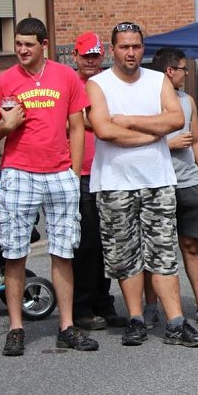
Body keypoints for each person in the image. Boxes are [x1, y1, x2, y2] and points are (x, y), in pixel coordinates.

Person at [0, 17, 98, 355]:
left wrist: (74, 173)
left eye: (29, 44)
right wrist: (5, 127)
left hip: (60, 173)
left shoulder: (64, 77)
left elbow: (77, 126)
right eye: (17, 44)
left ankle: (67, 326)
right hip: (19, 172)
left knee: (63, 252)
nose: (22, 50)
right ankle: (16, 328)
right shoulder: (4, 82)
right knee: (14, 253)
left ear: (44, 45)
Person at [86, 22, 198, 348]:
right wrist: (151, 134)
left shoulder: (157, 80)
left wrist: (129, 121)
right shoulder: (98, 84)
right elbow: (104, 130)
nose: (131, 52)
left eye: (136, 47)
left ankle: (175, 323)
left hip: (157, 181)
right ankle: (136, 319)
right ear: (113, 49)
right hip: (114, 183)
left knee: (164, 255)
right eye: (124, 46)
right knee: (126, 257)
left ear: (143, 49)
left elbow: (175, 120)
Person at [149, 47, 198, 328]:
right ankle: (151, 307)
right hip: (157, 183)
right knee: (154, 251)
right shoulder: (146, 100)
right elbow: (129, 141)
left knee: (191, 246)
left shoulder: (187, 100)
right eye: (183, 69)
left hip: (190, 183)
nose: (186, 74)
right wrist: (168, 144)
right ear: (169, 71)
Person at [70, 32, 127, 331]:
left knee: (108, 244)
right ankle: (81, 307)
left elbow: (118, 118)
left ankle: (104, 303)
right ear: (75, 56)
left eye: (95, 55)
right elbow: (83, 121)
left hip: (110, 172)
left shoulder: (108, 84)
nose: (90, 60)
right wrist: (105, 120)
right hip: (81, 173)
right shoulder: (70, 84)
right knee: (85, 243)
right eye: (85, 55)